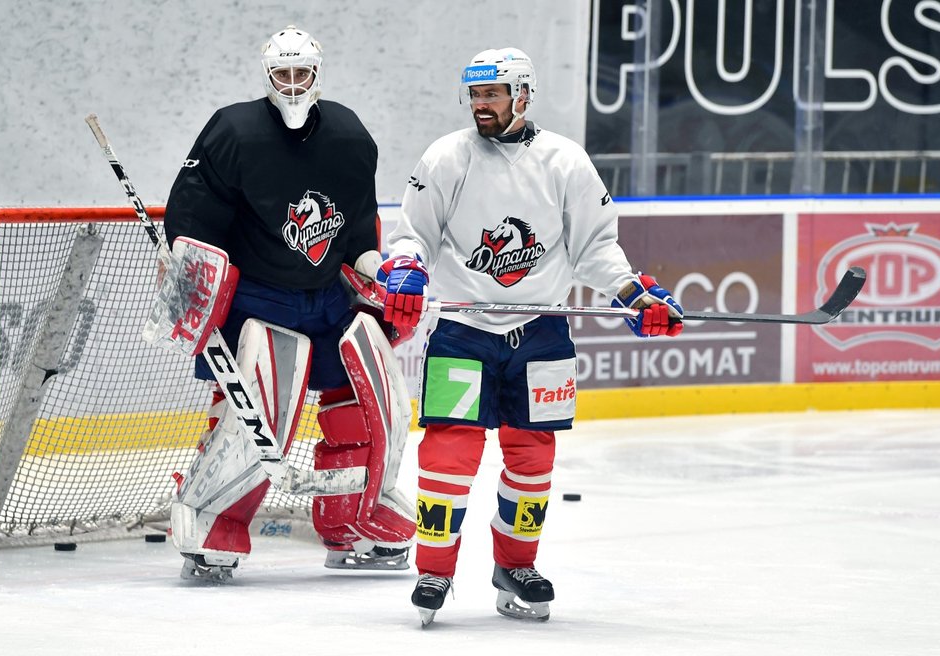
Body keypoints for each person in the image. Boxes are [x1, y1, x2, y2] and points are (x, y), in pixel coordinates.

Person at [380, 48, 684, 624]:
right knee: (448, 454)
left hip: (542, 331)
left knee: (532, 459)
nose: (480, 105)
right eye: (474, 95)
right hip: (463, 330)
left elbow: (595, 247)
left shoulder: (565, 161)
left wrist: (631, 294)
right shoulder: (447, 156)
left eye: (491, 94)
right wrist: (406, 268)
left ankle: (515, 565)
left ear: (522, 94)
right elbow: (412, 233)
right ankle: (434, 571)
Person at [162, 25, 414, 581]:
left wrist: (385, 275)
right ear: (267, 74)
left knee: (377, 403)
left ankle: (354, 518)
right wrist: (195, 288)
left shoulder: (349, 136)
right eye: (284, 74)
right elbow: (191, 224)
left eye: (304, 74)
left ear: (318, 75)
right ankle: (212, 523)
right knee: (259, 413)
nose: (294, 85)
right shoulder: (234, 132)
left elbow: (357, 241)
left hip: (329, 297)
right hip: (259, 297)